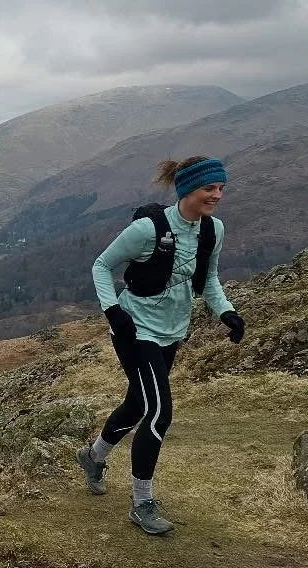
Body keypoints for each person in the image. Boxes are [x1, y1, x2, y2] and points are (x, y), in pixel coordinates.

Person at [78, 156, 246, 536]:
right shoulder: (147, 230)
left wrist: (227, 312)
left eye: (221, 188)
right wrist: (113, 312)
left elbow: (209, 278)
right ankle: (142, 503)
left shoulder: (213, 230)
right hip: (135, 330)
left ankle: (93, 456)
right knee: (158, 412)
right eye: (210, 188)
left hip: (173, 330)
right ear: (188, 188)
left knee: (138, 403)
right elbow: (101, 265)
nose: (218, 195)